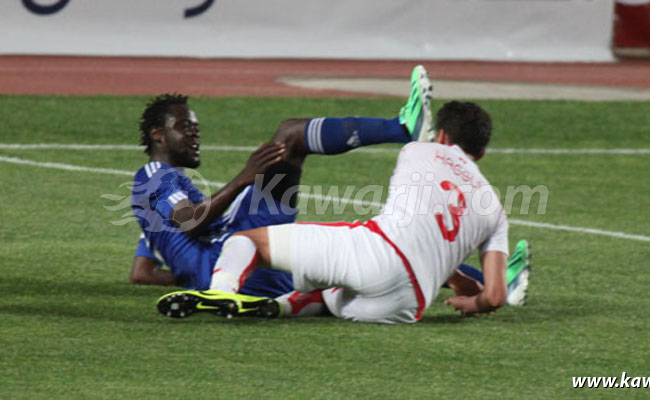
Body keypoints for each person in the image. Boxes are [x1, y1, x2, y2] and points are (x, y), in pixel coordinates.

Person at [156, 100, 532, 323]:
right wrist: (473, 298)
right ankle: (276, 309)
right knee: (330, 297)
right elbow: (493, 298)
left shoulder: (420, 149)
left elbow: (417, 220)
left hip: (375, 255)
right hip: (408, 304)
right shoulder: (495, 208)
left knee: (245, 241)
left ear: (443, 137)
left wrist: (406, 129)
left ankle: (222, 292)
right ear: (480, 154)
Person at [129, 66, 435, 301]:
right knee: (290, 135)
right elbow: (188, 222)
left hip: (236, 271)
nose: (195, 135)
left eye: (196, 128)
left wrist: (191, 276)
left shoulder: (159, 202)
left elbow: (142, 274)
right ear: (158, 134)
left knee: (355, 264)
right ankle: (404, 127)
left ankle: (467, 278)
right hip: (230, 253)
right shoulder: (155, 175)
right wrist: (244, 178)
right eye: (185, 127)